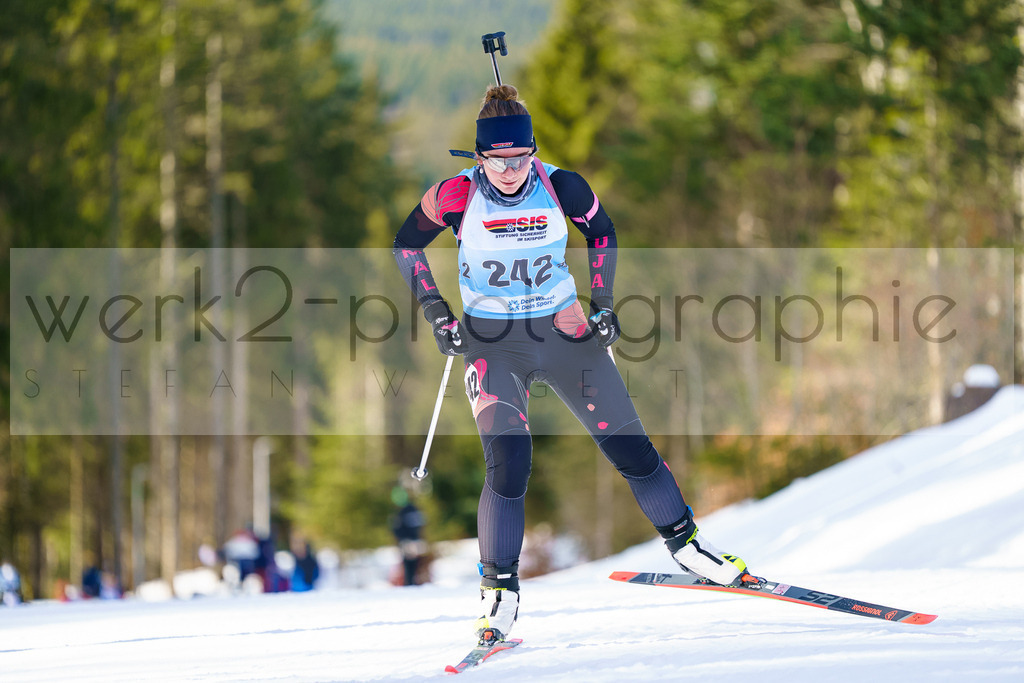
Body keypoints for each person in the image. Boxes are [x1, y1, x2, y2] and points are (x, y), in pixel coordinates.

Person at [392, 84, 751, 644]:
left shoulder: (562, 186)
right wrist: (438, 314)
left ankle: (690, 549)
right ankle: (499, 594)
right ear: (479, 156)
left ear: (532, 152)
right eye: (498, 160)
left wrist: (603, 306)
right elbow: (406, 245)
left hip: (563, 332)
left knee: (632, 448)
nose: (510, 172)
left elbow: (601, 231)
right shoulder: (455, 196)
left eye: (520, 158)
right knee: (508, 461)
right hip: (492, 344)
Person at [390, 487, 427, 586]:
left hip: (408, 542)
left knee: (410, 566)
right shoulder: (413, 509)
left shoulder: (402, 512)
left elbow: (398, 528)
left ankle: (411, 584)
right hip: (415, 540)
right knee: (415, 566)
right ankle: (412, 584)